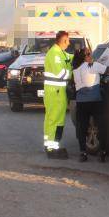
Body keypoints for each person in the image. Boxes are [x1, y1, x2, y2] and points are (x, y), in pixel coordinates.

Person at [72, 48, 109, 163]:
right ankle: (102, 152)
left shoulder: (75, 68)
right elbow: (108, 70)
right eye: (90, 54)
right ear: (86, 56)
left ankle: (83, 153)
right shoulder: (93, 65)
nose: (91, 55)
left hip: (81, 103)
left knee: (82, 128)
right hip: (95, 101)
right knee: (101, 126)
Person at [43, 31, 73, 159]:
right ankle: (51, 148)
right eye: (68, 40)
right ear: (64, 40)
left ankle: (53, 145)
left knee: (58, 120)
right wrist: (73, 72)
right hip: (54, 92)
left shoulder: (60, 53)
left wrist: (79, 56)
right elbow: (61, 73)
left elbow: (69, 58)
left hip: (59, 93)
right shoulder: (54, 54)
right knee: (53, 120)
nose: (69, 43)